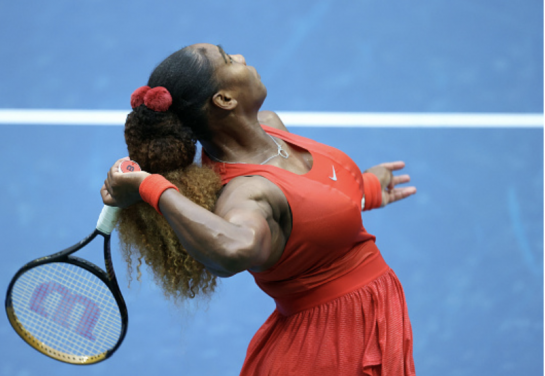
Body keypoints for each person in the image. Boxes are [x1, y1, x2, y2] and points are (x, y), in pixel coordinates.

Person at [101, 43, 417, 375]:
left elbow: (306, 205)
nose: (241, 57)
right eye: (227, 58)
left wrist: (364, 189)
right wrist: (148, 187)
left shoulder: (271, 128)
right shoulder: (247, 193)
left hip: (366, 318)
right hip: (330, 349)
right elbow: (234, 249)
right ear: (224, 99)